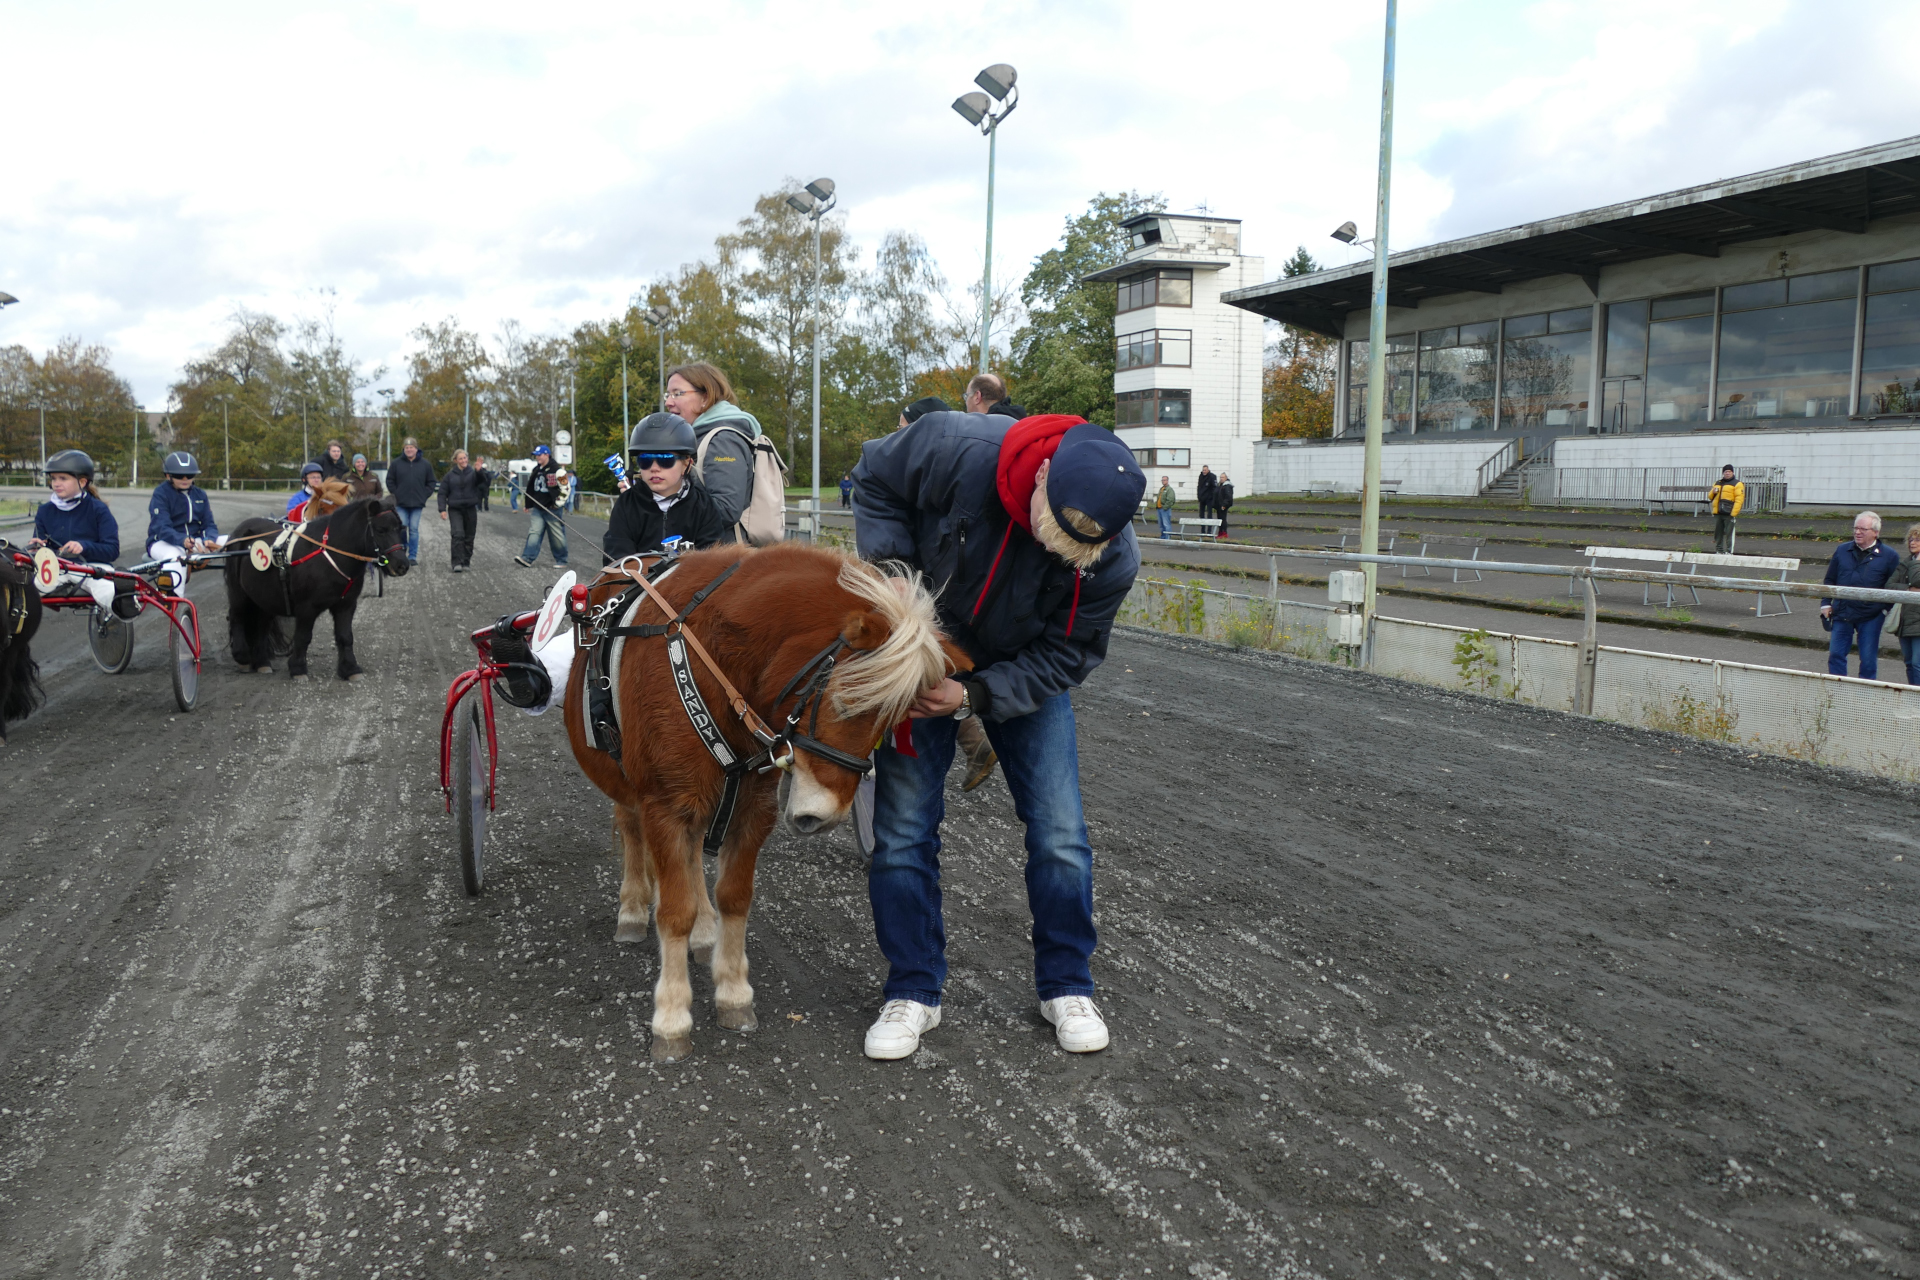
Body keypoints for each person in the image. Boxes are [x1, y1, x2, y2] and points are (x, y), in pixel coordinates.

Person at [851, 411, 1145, 1060]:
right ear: (1043, 477)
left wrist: (974, 697)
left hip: (1023, 668)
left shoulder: (1113, 559)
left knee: (1060, 834)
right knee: (901, 832)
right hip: (921, 647)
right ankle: (912, 989)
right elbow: (874, 475)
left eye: (1071, 553)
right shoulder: (955, 446)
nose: (1051, 552)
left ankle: (1067, 985)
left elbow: (1069, 652)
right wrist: (893, 569)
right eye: (1049, 533)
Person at [603, 414, 729, 560]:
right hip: (637, 575)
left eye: (665, 460)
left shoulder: (704, 506)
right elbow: (616, 560)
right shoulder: (626, 505)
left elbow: (713, 562)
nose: (654, 468)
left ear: (687, 464)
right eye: (645, 460)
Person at [663, 361, 758, 536]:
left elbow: (726, 510)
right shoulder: (697, 437)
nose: (668, 402)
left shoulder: (723, 440)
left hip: (724, 551)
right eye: (668, 395)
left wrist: (664, 505)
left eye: (677, 394)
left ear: (705, 398)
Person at [1821, 510, 1901, 680]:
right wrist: (1826, 603)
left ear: (1876, 532)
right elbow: (1830, 579)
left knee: (1868, 660)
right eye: (1855, 528)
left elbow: (1894, 586)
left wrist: (1885, 610)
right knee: (1835, 655)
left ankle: (1865, 693)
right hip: (1842, 611)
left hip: (1871, 615)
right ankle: (1837, 691)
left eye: (1863, 529)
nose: (1857, 532)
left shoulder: (1889, 556)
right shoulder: (1842, 550)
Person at [145, 450, 221, 588]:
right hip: (163, 542)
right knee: (176, 556)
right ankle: (174, 597)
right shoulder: (160, 494)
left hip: (194, 541)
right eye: (180, 476)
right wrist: (182, 540)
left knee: (235, 542)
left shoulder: (200, 494)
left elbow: (209, 524)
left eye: (190, 475)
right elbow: (162, 527)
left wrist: (209, 539)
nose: (185, 479)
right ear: (168, 476)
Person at [30, 449, 120, 563]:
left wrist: (84, 547)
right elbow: (41, 546)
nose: (56, 484)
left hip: (92, 568)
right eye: (53, 478)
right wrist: (36, 547)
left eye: (63, 478)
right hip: (56, 568)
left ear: (82, 482)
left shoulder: (98, 509)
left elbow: (112, 550)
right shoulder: (44, 511)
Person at [513, 444, 569, 567]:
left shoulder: (558, 471)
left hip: (553, 509)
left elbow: (565, 488)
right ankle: (527, 558)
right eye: (536, 455)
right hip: (538, 508)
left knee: (556, 536)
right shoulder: (536, 470)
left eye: (539, 455)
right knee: (534, 533)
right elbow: (531, 488)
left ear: (547, 455)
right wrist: (528, 504)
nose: (537, 457)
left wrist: (558, 503)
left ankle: (562, 560)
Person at [385, 437, 437, 562]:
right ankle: (402, 550)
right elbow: (390, 480)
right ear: (404, 449)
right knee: (402, 527)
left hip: (417, 503)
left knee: (413, 529)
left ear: (416, 449)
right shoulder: (396, 464)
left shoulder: (425, 464)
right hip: (401, 503)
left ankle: (412, 555)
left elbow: (431, 482)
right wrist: (396, 494)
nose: (409, 450)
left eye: (411, 447)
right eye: (407, 448)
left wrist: (424, 495)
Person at [438, 448, 485, 573]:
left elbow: (482, 481)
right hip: (455, 509)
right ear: (455, 460)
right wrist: (442, 509)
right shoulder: (449, 476)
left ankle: (466, 561)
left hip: (470, 508)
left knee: (469, 536)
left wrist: (479, 471)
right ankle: (456, 562)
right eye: (460, 458)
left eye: (465, 458)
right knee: (458, 534)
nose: (463, 460)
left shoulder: (473, 473)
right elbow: (442, 493)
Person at [1891, 523, 1920, 685]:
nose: (1912, 543)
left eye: (1917, 540)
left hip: (1918, 622)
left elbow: (1918, 580)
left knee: (1917, 663)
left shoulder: (1912, 563)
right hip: (1905, 621)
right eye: (1910, 539)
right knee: (1909, 663)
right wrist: (1908, 589)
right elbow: (1889, 585)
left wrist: (1917, 562)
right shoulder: (1905, 563)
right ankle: (1912, 694)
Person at [1707, 464, 1744, 554]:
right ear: (1723, 473)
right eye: (1726, 472)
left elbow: (1739, 499)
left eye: (1729, 471)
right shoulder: (1717, 483)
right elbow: (1710, 497)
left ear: (1732, 472)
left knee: (1729, 533)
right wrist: (1713, 492)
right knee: (1718, 533)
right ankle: (1719, 550)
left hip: (1729, 512)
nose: (1727, 473)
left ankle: (1729, 551)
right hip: (1718, 512)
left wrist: (1733, 513)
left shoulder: (1737, 484)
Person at [1216, 472, 1234, 539]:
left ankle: (1224, 533)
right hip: (1219, 505)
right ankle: (1220, 532)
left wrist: (1224, 505)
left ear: (1226, 478)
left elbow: (1228, 497)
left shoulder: (1227, 486)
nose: (1221, 479)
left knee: (1223, 519)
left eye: (1223, 477)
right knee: (1220, 519)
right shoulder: (1221, 485)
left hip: (1223, 505)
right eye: (1220, 477)